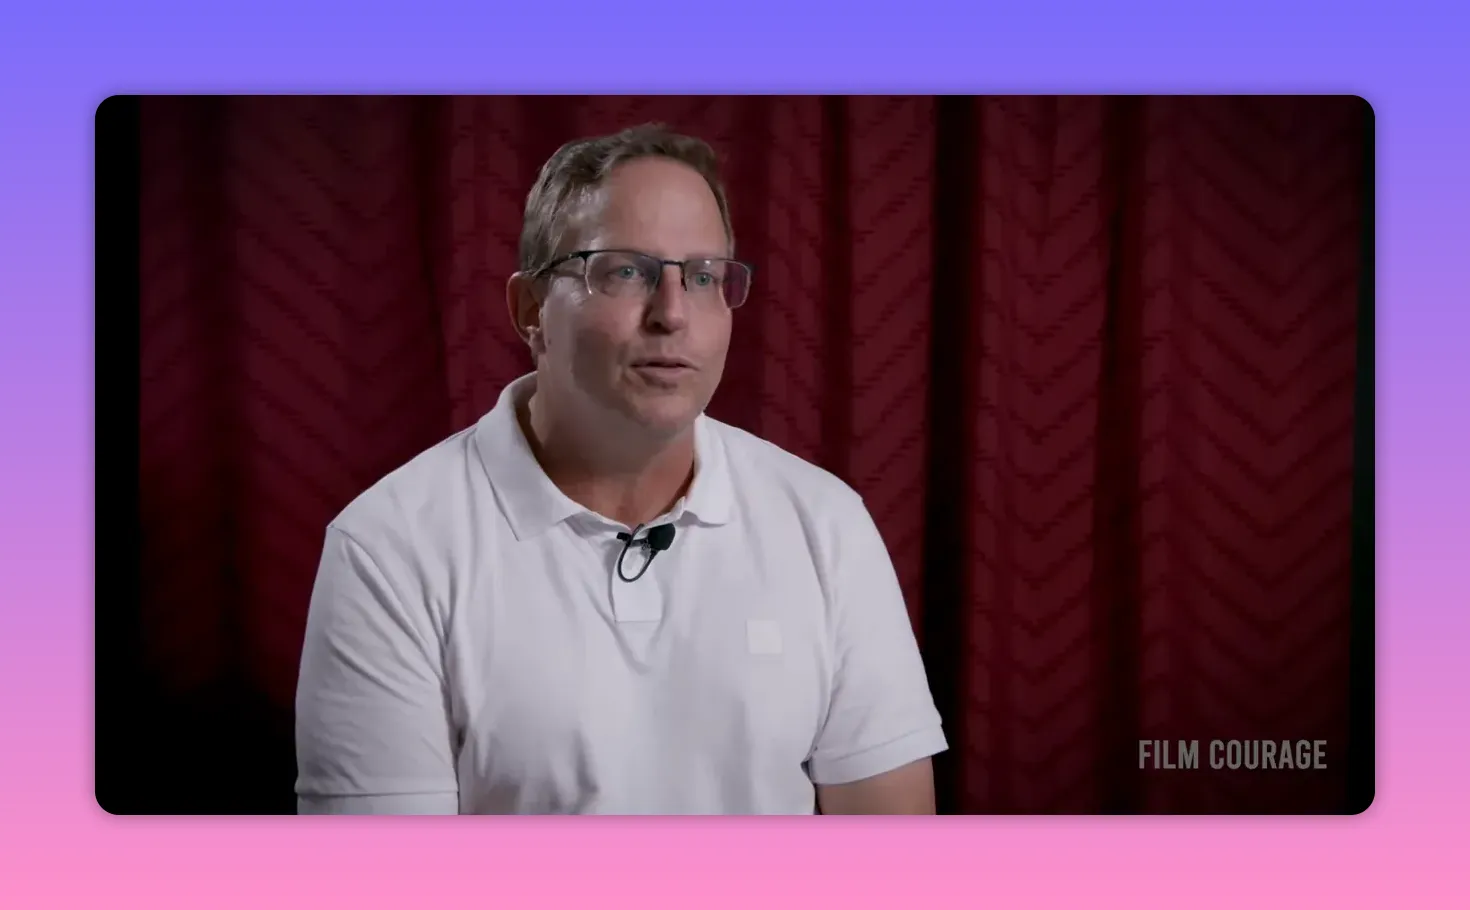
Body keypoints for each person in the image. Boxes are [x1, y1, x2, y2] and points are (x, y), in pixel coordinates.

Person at [294, 123, 948, 815]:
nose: (673, 314)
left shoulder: (825, 523)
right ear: (530, 310)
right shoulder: (389, 548)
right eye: (626, 271)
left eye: (703, 276)